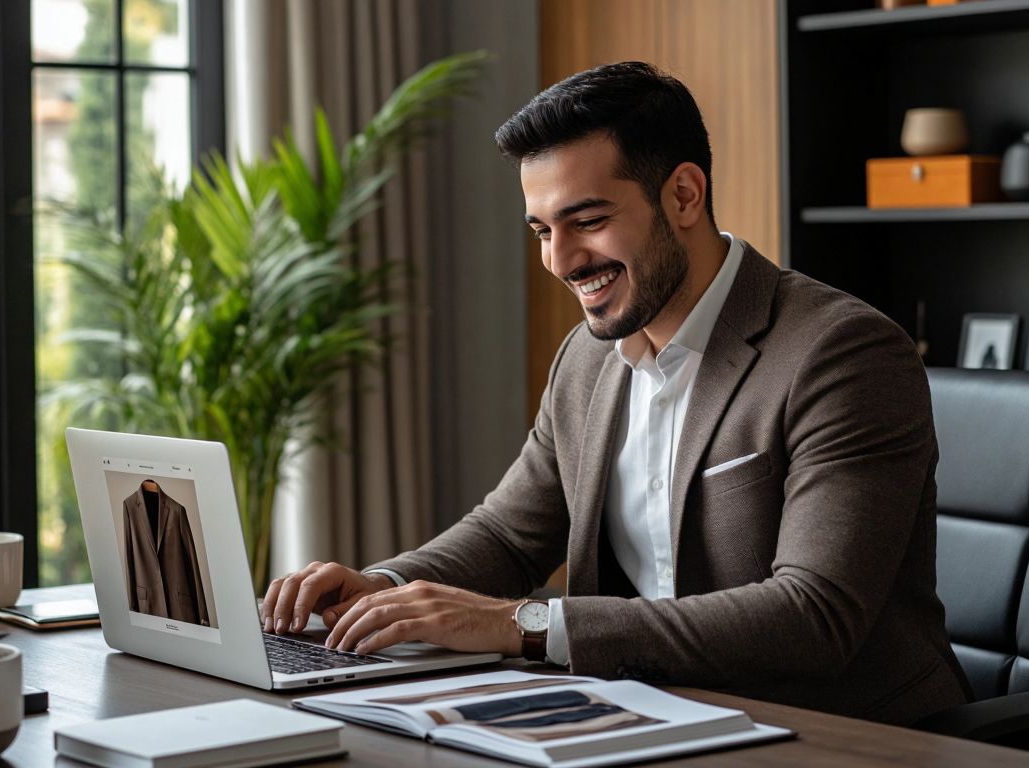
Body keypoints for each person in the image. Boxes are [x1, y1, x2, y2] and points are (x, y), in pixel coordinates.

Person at [262, 61, 970, 725]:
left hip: (841, 732)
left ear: (684, 195)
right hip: (646, 716)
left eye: (588, 221)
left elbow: (813, 617)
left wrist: (525, 624)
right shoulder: (589, 358)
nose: (560, 261)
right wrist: (382, 590)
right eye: (543, 230)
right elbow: (511, 534)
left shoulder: (839, 352)